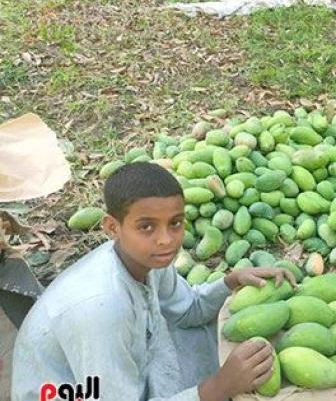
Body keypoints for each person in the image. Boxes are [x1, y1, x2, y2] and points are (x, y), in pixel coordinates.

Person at [12, 162, 295, 401]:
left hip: (110, 370)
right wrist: (218, 387)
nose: (166, 239)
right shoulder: (101, 311)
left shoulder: (145, 257)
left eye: (176, 223)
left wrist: (231, 282)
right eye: (146, 226)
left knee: (204, 333)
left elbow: (188, 310)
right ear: (112, 227)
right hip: (68, 391)